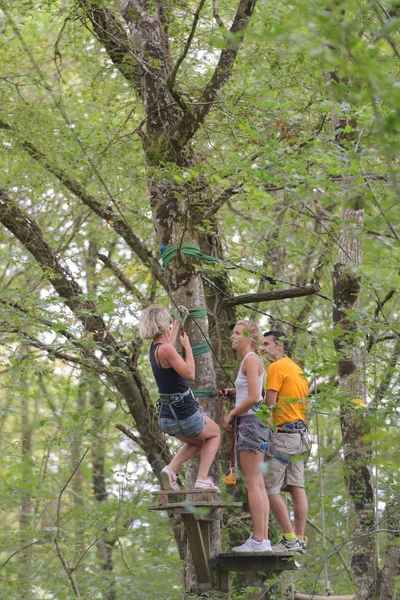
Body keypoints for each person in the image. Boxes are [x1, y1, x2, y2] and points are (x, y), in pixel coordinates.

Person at [139, 306, 220, 491]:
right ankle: (202, 479)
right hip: (184, 413)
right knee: (215, 433)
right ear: (162, 324)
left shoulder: (155, 349)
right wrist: (188, 347)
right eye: (167, 321)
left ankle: (171, 469)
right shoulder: (166, 349)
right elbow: (190, 374)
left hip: (168, 417)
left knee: (198, 442)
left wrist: (177, 321)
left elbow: (168, 343)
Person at [224, 319, 272, 553]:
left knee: (253, 483)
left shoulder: (251, 359)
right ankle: (261, 539)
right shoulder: (251, 361)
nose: (231, 336)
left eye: (235, 332)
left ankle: (259, 540)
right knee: (258, 483)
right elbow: (254, 391)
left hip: (251, 423)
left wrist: (231, 413)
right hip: (256, 422)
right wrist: (235, 392)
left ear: (248, 337)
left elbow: (254, 397)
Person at [261, 330, 309, 553]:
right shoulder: (298, 370)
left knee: (268, 487)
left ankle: (289, 538)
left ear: (279, 345)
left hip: (284, 436)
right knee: (296, 486)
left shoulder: (276, 367)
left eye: (266, 343)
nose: (262, 348)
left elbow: (270, 402)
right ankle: (299, 538)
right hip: (301, 436)